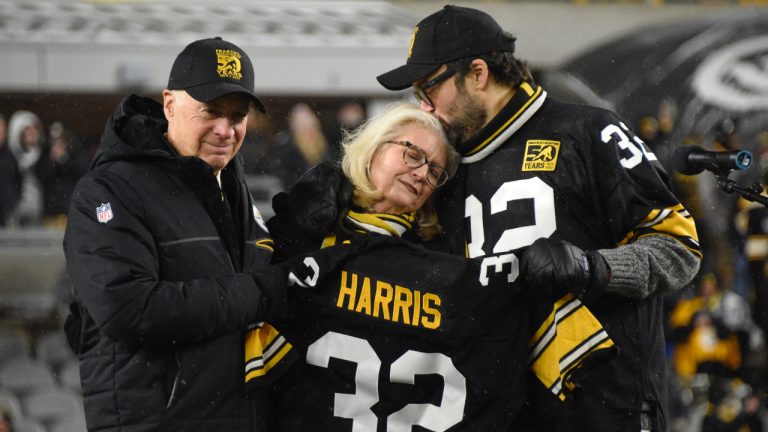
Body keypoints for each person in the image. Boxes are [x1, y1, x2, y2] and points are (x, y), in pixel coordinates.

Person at [376, 6, 702, 432]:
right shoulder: (443, 170)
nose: (425, 107)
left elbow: (679, 249)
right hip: (498, 414)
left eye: (429, 88)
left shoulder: (591, 132)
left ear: (477, 73)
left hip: (606, 410)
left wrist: (593, 267)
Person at [246, 102, 617, 431]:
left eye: (436, 172)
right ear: (374, 146)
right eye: (412, 154)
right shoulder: (300, 232)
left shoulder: (453, 263)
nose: (423, 174)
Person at [63, 37, 289, 431]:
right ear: (169, 104)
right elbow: (130, 311)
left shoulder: (232, 186)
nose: (225, 129)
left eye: (237, 116)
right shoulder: (108, 190)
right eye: (210, 112)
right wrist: (257, 293)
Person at [7, 110, 44, 226]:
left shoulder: (43, 158)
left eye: (35, 131)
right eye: (28, 131)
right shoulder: (9, 159)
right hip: (12, 213)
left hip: (38, 214)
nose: (32, 135)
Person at [0, 114, 21, 226]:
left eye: (2, 129)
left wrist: (11, 204)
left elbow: (17, 183)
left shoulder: (10, 157)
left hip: (6, 213)